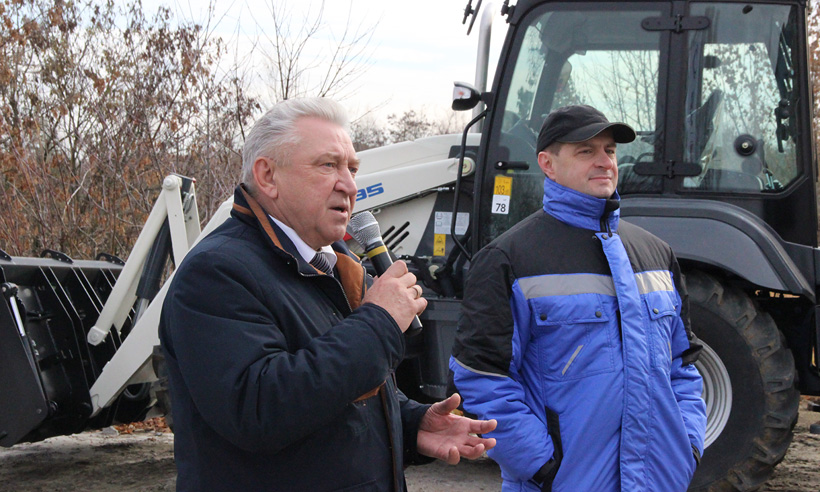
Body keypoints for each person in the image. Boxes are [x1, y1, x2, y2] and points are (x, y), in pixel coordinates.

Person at [159, 97, 497, 492]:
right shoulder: (217, 273)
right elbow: (259, 411)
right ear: (267, 176)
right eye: (327, 165)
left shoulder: (332, 264)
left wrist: (412, 424)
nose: (349, 185)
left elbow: (337, 394)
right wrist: (380, 322)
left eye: (352, 169)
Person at [449, 105, 706, 491]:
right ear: (547, 164)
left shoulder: (656, 254)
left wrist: (687, 447)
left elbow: (682, 367)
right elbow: (481, 380)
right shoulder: (508, 259)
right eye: (586, 151)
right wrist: (545, 468)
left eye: (610, 150)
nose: (605, 161)